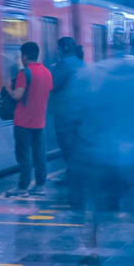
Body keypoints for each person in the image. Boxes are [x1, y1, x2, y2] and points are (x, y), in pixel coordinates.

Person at [70, 34, 134, 266]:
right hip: (131, 153)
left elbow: (78, 113)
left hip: (98, 152)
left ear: (109, 49)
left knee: (93, 207)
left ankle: (92, 253)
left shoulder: (93, 75)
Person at [6, 40, 53, 197]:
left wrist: (8, 88)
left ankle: (22, 188)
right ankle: (40, 185)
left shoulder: (24, 73)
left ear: (24, 56)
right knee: (39, 154)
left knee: (24, 155)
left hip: (23, 121)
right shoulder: (47, 73)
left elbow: (17, 95)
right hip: (39, 121)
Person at [49, 35, 86, 202]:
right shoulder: (81, 63)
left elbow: (53, 84)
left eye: (58, 49)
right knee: (76, 145)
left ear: (63, 49)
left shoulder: (64, 64)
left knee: (67, 145)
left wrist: (52, 69)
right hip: (80, 112)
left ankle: (73, 177)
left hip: (66, 113)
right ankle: (75, 175)